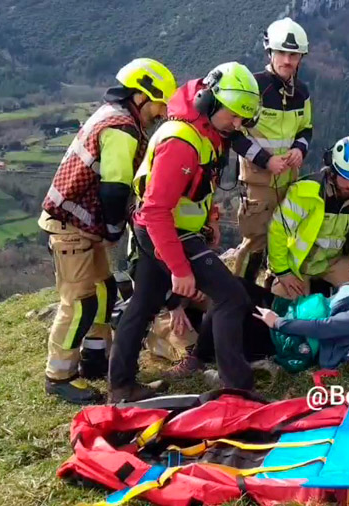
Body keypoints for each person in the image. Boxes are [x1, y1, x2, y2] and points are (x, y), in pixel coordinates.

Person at [107, 62, 261, 403]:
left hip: (165, 229)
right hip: (166, 231)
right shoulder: (180, 142)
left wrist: (211, 218)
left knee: (144, 304)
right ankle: (237, 388)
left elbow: (196, 188)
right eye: (234, 116)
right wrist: (179, 268)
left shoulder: (206, 131)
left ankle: (121, 387)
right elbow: (157, 210)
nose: (237, 125)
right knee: (231, 297)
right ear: (210, 102)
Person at [38, 58, 177, 405]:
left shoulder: (112, 116)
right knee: (80, 302)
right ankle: (59, 376)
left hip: (80, 223)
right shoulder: (121, 129)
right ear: (141, 96)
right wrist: (115, 229)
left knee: (103, 292)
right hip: (72, 226)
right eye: (158, 104)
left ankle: (95, 359)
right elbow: (114, 188)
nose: (161, 113)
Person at [230, 17, 314, 284]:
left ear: (300, 58)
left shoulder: (302, 92)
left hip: (288, 180)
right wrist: (266, 161)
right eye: (281, 53)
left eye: (293, 55)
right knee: (255, 242)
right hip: (259, 183)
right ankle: (241, 294)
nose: (287, 60)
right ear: (270, 52)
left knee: (284, 238)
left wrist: (300, 149)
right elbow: (233, 133)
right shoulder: (253, 88)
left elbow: (306, 128)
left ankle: (271, 291)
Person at [267, 134, 349, 301]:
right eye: (345, 177)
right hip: (298, 266)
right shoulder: (305, 193)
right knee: (285, 306)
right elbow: (278, 231)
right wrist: (283, 272)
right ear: (334, 171)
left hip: (333, 262)